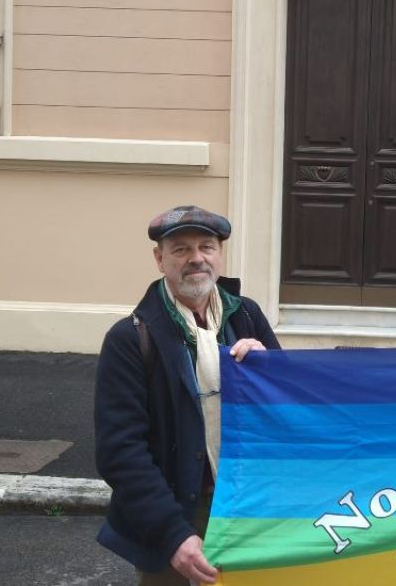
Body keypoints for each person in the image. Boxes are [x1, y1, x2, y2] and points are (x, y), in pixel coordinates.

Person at [95, 205, 280, 585]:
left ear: (219, 254)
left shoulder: (247, 316)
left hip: (246, 502)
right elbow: (121, 451)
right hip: (172, 510)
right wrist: (173, 535)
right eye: (181, 249)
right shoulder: (129, 339)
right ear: (159, 259)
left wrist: (269, 369)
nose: (196, 258)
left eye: (206, 247)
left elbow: (287, 410)